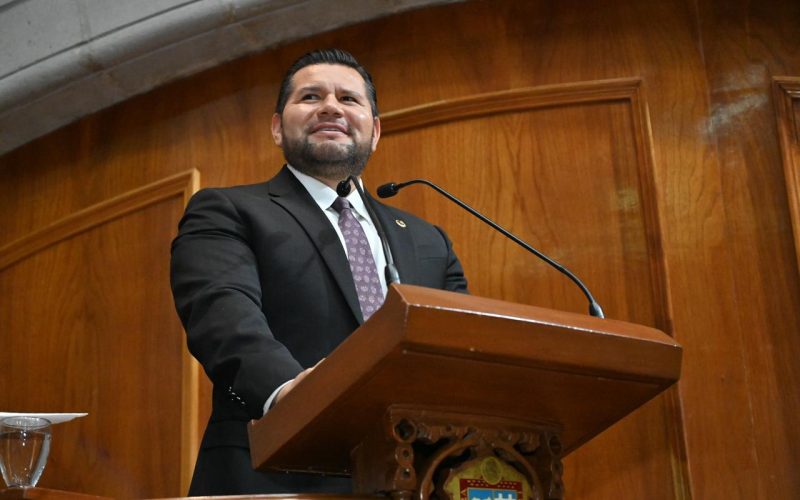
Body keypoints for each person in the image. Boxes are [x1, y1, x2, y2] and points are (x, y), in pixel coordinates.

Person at [170, 48, 469, 496]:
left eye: (348, 99)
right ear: (277, 127)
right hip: (275, 471)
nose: (331, 106)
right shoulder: (228, 210)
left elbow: (457, 349)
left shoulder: (429, 241)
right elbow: (223, 316)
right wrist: (293, 394)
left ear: (375, 132)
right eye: (310, 97)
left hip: (414, 476)